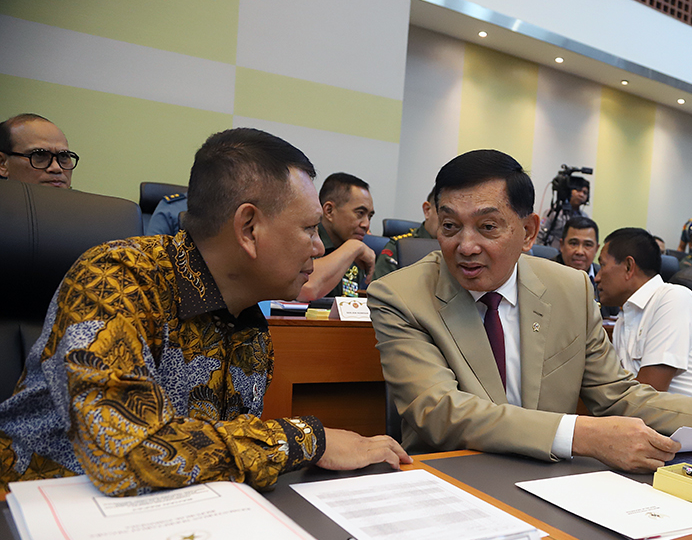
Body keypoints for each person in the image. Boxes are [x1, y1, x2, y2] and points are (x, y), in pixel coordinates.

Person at [0, 128, 409, 495]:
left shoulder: (248, 320)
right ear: (248, 229)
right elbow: (126, 453)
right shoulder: (115, 278)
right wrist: (306, 439)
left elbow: (216, 453)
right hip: (35, 516)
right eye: (308, 229)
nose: (319, 248)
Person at [367, 149, 692, 473]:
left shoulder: (569, 289)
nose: (466, 245)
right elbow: (441, 413)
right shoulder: (400, 296)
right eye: (450, 227)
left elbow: (617, 394)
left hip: (551, 477)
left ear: (530, 232)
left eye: (487, 227)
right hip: (454, 476)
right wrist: (584, 436)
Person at [596, 228, 692, 404]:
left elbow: (649, 394)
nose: (597, 277)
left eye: (602, 265)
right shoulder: (623, 321)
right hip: (661, 421)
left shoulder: (672, 298)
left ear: (629, 267)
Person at [297, 172, 376, 300]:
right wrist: (353, 248)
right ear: (329, 211)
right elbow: (305, 290)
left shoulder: (358, 252)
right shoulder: (303, 241)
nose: (366, 224)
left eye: (369, 216)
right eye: (360, 213)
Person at [551, 215, 617, 317]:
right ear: (562, 245)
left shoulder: (605, 277)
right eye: (573, 243)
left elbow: (612, 316)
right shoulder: (545, 273)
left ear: (596, 249)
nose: (580, 251)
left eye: (587, 245)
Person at [372, 190, 439, 281]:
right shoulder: (399, 246)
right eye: (445, 213)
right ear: (427, 210)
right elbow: (378, 290)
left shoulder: (458, 249)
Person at [0, 113, 77, 188]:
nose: (56, 168)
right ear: (2, 164)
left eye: (63, 156)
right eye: (39, 155)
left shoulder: (84, 200)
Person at [538, 176, 590, 247]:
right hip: (552, 253)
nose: (581, 195)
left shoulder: (585, 218)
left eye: (585, 193)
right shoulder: (554, 212)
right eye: (578, 190)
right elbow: (540, 233)